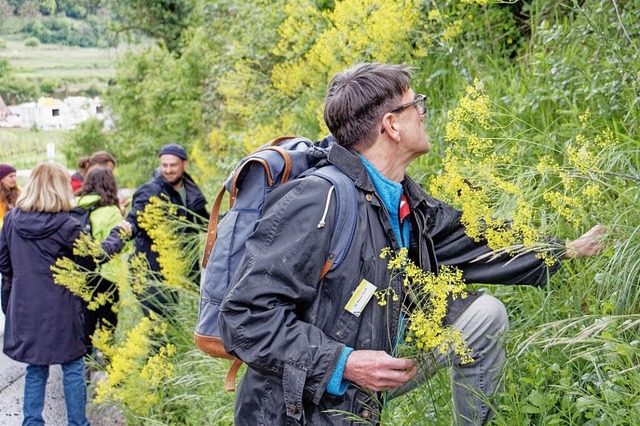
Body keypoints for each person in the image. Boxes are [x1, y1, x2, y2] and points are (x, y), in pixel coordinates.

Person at [217, 63, 607, 425]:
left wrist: (565, 250)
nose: (423, 112)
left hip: (368, 371)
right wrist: (344, 363)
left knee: (485, 315)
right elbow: (243, 318)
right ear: (391, 125)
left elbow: (475, 240)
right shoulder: (317, 200)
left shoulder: (401, 198)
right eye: (415, 104)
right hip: (295, 409)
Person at [0, 162, 131, 426]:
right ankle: (77, 423)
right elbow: (95, 257)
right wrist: (119, 234)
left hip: (26, 307)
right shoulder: (66, 225)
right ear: (61, 188)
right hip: (62, 308)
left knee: (35, 368)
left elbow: (5, 265)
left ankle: (32, 422)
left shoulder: (12, 220)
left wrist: (10, 303)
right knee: (72, 366)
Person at [126, 143, 208, 314]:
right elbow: (134, 219)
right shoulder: (151, 190)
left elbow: (204, 221)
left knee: (173, 319)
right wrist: (120, 235)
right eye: (164, 165)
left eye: (173, 165)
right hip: (151, 271)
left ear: (184, 165)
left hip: (177, 268)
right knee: (159, 326)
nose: (168, 170)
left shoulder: (190, 190)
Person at [75, 167, 126, 355]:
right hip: (107, 274)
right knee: (107, 325)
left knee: (85, 324)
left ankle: (84, 368)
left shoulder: (76, 204)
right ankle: (110, 369)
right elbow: (122, 244)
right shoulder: (111, 211)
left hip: (81, 273)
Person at [0, 163, 20, 314]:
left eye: (15, 176)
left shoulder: (20, 194)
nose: (14, 179)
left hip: (15, 239)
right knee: (6, 277)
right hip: (4, 239)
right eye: (10, 176)